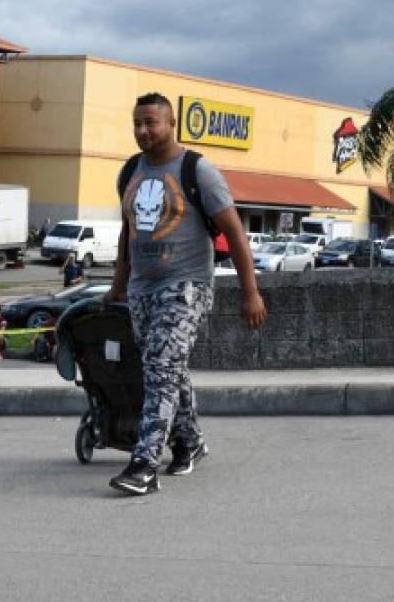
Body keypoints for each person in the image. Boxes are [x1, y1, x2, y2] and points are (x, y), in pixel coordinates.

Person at [105, 92, 267, 496]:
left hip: (187, 284)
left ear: (171, 123)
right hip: (143, 287)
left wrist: (251, 291)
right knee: (165, 367)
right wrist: (118, 284)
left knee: (160, 366)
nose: (143, 130)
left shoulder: (198, 171)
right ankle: (190, 442)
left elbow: (234, 232)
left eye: (151, 123)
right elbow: (129, 231)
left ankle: (144, 464)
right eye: (137, 123)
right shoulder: (130, 172)